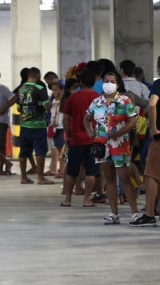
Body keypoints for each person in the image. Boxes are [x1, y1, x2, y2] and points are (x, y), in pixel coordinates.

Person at [83, 72, 139, 225]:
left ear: (117, 84)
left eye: (112, 81)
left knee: (125, 178)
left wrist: (119, 133)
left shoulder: (124, 100)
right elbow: (87, 118)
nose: (109, 83)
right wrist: (89, 131)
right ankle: (114, 213)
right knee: (109, 178)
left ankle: (135, 213)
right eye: (106, 81)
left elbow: (132, 121)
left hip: (120, 144)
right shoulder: (97, 102)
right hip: (101, 144)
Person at [129, 54, 160, 228]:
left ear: (158, 68)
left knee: (152, 175)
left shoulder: (158, 84)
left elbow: (151, 104)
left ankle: (149, 214)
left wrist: (154, 127)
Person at [61, 69, 100, 207]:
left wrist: (68, 134)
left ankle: (67, 199)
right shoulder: (98, 97)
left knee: (72, 170)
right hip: (93, 139)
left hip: (76, 139)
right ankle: (87, 199)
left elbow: (66, 118)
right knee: (91, 171)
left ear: (81, 82)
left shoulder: (73, 97)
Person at [16, 67, 54, 185]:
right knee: (40, 151)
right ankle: (40, 177)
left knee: (23, 151)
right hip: (38, 125)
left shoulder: (20, 89)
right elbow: (46, 106)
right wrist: (52, 101)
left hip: (24, 125)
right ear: (37, 76)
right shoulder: (40, 88)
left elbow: (18, 108)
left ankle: (23, 177)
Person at [47, 81, 65, 178]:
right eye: (53, 90)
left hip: (62, 127)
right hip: (55, 128)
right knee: (58, 148)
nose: (54, 92)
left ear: (62, 90)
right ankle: (61, 170)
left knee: (62, 149)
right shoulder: (54, 101)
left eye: (56, 90)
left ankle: (62, 170)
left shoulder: (64, 101)